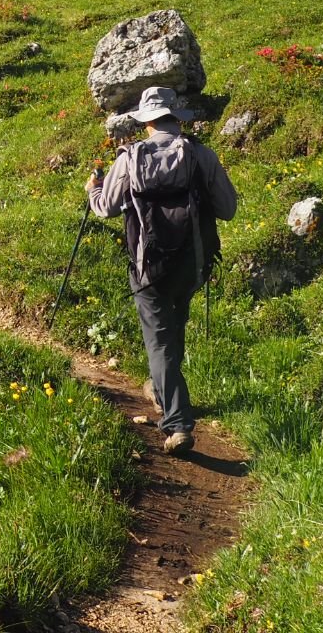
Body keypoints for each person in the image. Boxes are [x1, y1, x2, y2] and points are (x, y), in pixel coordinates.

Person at [85, 85, 238, 454]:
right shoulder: (200, 154)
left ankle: (178, 423)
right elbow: (228, 208)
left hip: (147, 264)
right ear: (175, 117)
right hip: (193, 262)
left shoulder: (130, 157)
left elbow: (106, 207)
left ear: (146, 121)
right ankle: (162, 391)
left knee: (159, 340)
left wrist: (93, 189)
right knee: (174, 328)